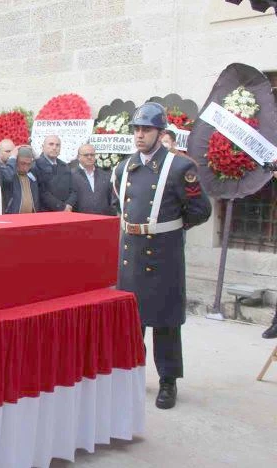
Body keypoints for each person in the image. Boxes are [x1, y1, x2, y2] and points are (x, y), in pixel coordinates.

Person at [113, 102, 212, 410]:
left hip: (164, 255)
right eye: (136, 129)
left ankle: (168, 381)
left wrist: (168, 230)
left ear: (160, 133)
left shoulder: (179, 168)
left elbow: (200, 210)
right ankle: (131, 375)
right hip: (131, 254)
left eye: (146, 129)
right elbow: (119, 206)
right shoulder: (124, 167)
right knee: (132, 323)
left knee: (166, 322)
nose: (140, 135)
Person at [71, 143, 116, 216]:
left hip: (103, 218)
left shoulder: (105, 175)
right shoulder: (71, 175)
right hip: (80, 219)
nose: (89, 157)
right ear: (78, 157)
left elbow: (111, 199)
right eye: (86, 155)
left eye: (92, 155)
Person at [35, 135, 77, 212]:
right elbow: (41, 191)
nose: (54, 148)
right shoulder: (36, 165)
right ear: (43, 147)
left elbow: (73, 189)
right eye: (51, 144)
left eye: (57, 145)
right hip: (46, 212)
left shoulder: (65, 166)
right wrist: (61, 207)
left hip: (66, 212)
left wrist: (69, 204)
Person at [4, 146, 40, 214]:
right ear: (16, 161)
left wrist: (37, 157)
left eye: (29, 164)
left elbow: (46, 172)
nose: (25, 168)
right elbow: (7, 176)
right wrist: (12, 157)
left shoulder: (32, 174)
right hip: (13, 217)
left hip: (31, 216)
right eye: (22, 163)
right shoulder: (10, 175)